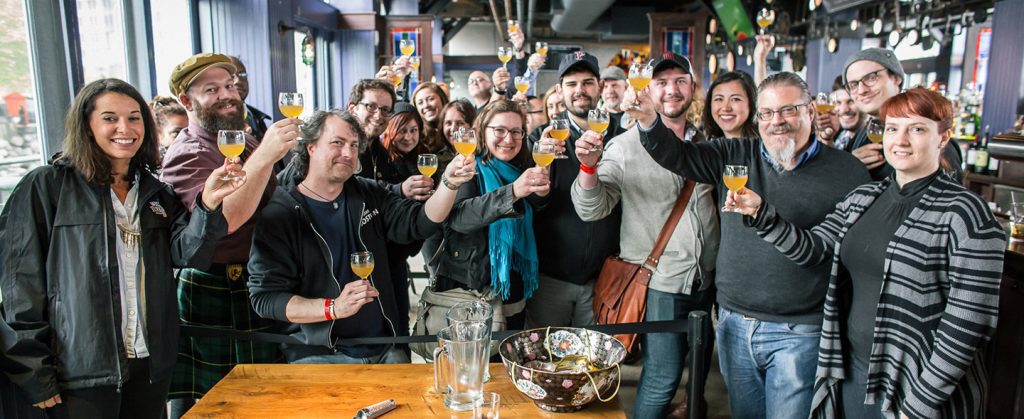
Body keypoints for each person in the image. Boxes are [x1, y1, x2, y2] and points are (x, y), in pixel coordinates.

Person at [727, 88, 1004, 419]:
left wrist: (917, 406)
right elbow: (813, 250)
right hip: (853, 373)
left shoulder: (965, 212)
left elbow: (969, 324)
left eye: (916, 129)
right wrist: (761, 214)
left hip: (917, 387)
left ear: (943, 137)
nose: (900, 140)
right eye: (892, 128)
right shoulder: (863, 199)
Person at [628, 71, 872, 419]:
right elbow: (678, 156)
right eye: (768, 113)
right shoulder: (736, 153)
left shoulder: (847, 172)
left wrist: (763, 214)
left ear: (811, 112)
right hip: (733, 322)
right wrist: (651, 121)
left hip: (800, 329)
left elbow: (826, 252)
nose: (778, 122)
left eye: (789, 111)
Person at [0, 78, 243, 417]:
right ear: (87, 125)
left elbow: (189, 254)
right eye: (110, 118)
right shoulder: (47, 186)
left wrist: (209, 202)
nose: (124, 128)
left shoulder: (155, 192)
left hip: (149, 366)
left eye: (134, 117)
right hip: (78, 371)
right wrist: (33, 371)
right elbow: (19, 285)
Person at [248, 109, 476, 363]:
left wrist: (449, 184)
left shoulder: (367, 192)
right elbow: (266, 298)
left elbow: (420, 222)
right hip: (320, 356)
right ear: (310, 147)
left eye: (354, 145)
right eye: (337, 143)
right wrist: (333, 308)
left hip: (384, 347)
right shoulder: (281, 212)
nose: (348, 153)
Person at [572, 53, 720, 419]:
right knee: (662, 376)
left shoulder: (707, 141)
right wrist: (588, 167)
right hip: (661, 283)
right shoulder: (624, 146)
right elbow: (591, 208)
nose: (672, 90)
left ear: (692, 87)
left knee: (698, 367)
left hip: (709, 279)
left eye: (680, 80)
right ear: (647, 91)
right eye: (662, 82)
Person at [161, 53, 299, 416]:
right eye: (212, 89)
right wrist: (266, 154)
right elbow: (227, 220)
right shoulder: (188, 154)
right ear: (186, 101)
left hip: (258, 278)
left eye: (230, 86)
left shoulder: (243, 142)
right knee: (213, 403)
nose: (228, 95)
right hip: (215, 285)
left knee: (262, 395)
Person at [525, 51, 623, 329]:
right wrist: (542, 174)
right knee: (546, 360)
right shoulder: (542, 138)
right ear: (559, 90)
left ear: (600, 86)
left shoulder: (621, 134)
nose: (580, 90)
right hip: (550, 276)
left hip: (605, 276)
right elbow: (531, 203)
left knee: (595, 363)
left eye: (587, 82)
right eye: (571, 84)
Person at [431, 100, 550, 329]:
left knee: (507, 356)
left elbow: (532, 215)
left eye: (516, 131)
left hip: (513, 285)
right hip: (471, 286)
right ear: (482, 131)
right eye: (499, 130)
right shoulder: (467, 167)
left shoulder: (523, 166)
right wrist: (513, 191)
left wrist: (541, 197)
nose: (508, 139)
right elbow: (460, 218)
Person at [357, 102, 432, 338]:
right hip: (376, 251)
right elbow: (365, 190)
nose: (408, 137)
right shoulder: (380, 157)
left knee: (399, 319)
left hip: (400, 252)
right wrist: (400, 190)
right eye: (402, 130)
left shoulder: (420, 158)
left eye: (413, 130)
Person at [843, 48, 962, 181]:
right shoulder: (863, 133)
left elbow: (948, 195)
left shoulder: (933, 141)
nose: (861, 90)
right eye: (853, 84)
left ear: (896, 78)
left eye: (871, 78)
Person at [228, 56, 272, 143]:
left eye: (242, 75)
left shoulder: (256, 116)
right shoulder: (221, 121)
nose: (238, 81)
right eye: (232, 76)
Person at [703, 71, 758, 139]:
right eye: (719, 99)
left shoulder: (765, 147)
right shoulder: (705, 146)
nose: (725, 108)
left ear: (751, 103)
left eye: (735, 99)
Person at [822, 75, 865, 151]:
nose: (844, 110)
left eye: (851, 101)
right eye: (838, 102)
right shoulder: (837, 133)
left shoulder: (871, 137)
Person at [411, 82, 449, 153]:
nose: (426, 105)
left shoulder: (453, 129)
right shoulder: (416, 135)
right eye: (420, 103)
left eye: (430, 99)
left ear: (442, 99)